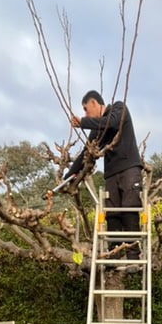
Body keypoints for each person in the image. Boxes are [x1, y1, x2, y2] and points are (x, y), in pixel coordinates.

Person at [65, 90, 143, 260]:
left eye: (86, 109)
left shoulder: (119, 109)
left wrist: (83, 122)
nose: (85, 113)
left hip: (129, 168)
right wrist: (69, 176)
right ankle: (113, 256)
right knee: (112, 214)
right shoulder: (98, 129)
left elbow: (112, 123)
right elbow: (86, 153)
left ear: (94, 103)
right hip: (111, 174)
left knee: (129, 209)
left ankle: (133, 257)